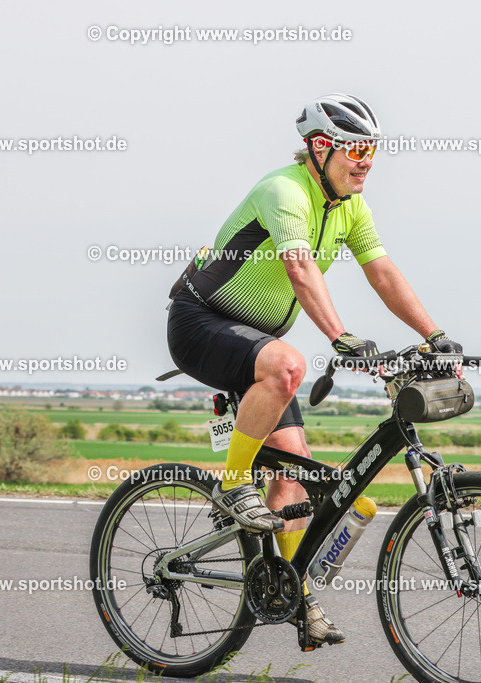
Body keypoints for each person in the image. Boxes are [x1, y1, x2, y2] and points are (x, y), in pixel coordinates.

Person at [166, 93, 461, 645]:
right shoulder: (285, 190)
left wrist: (435, 336)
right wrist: (340, 337)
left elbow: (382, 270)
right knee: (289, 364)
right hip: (199, 321)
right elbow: (300, 268)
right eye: (355, 149)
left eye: (371, 151)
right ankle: (233, 484)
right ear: (320, 148)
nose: (366, 161)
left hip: (254, 341)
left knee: (293, 474)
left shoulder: (348, 205)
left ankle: (293, 596)